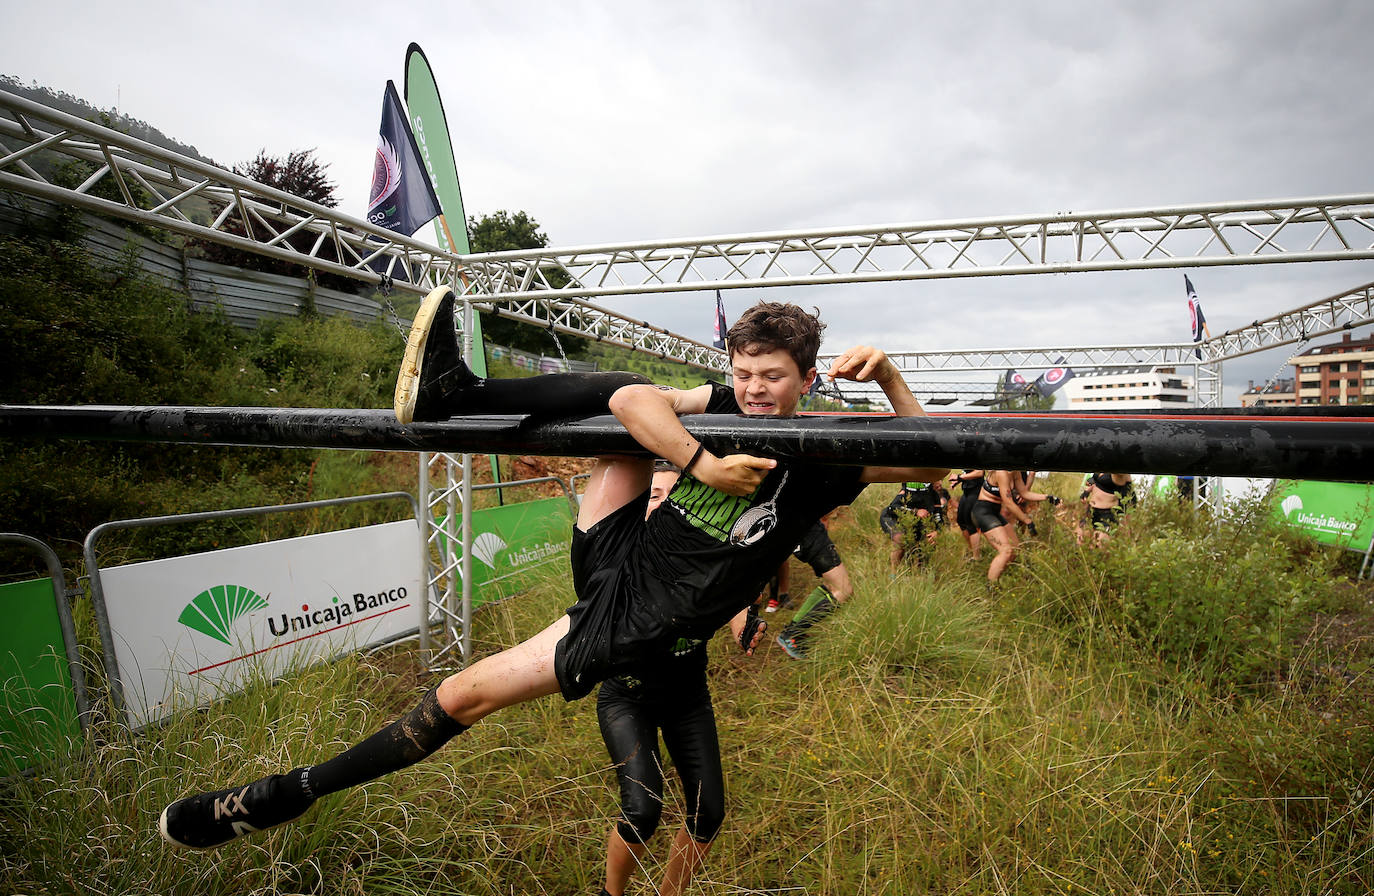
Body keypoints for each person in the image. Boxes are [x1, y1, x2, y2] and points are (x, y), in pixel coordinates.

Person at [157, 290, 947, 851]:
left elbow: (938, 466)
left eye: (771, 377)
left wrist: (887, 379)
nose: (752, 391)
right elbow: (638, 399)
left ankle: (275, 799)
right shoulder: (724, 410)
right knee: (617, 404)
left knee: (463, 695)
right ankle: (455, 394)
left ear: (806, 379)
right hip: (622, 554)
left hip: (636, 616)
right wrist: (700, 460)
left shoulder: (825, 459)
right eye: (743, 373)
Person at [597, 461, 760, 896]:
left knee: (708, 813)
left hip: (688, 697)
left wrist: (743, 622)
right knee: (642, 809)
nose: (664, 506)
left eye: (674, 497)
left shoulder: (703, 555)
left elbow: (729, 596)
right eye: (653, 496)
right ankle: (611, 893)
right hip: (626, 697)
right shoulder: (618, 554)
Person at [773, 512, 854, 659]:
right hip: (808, 530)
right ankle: (793, 635)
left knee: (830, 586)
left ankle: (793, 630)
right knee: (844, 590)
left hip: (795, 530)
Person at [971, 469, 1035, 586]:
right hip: (983, 511)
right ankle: (991, 588)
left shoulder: (1016, 472)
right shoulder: (1001, 472)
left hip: (994, 511)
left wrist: (1048, 497)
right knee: (1006, 551)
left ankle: (997, 578)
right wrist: (1027, 521)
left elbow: (1025, 492)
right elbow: (1008, 502)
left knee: (1015, 550)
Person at [878, 481, 942, 573]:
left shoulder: (934, 495)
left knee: (925, 542)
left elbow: (939, 518)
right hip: (892, 517)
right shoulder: (906, 492)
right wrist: (915, 511)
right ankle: (893, 574)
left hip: (912, 521)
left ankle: (918, 571)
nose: (939, 484)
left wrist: (937, 532)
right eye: (937, 481)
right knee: (901, 539)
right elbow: (893, 508)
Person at [1084, 472, 1135, 543]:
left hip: (1106, 514)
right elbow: (1095, 481)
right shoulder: (1103, 463)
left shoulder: (1122, 474)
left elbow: (1128, 494)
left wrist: (1124, 520)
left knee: (1100, 543)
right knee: (1084, 542)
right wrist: (1086, 492)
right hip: (1090, 510)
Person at [950, 470, 985, 560]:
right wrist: (959, 481)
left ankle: (976, 557)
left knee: (970, 524)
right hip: (967, 491)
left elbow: (979, 473)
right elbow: (967, 473)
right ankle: (972, 550)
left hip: (976, 492)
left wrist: (959, 477)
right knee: (961, 521)